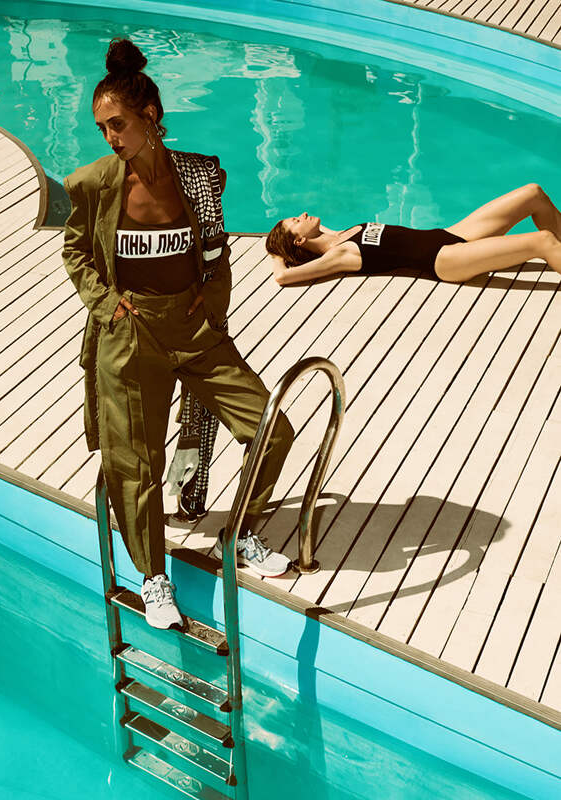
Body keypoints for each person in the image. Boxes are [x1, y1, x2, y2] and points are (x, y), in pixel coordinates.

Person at [62, 39, 294, 630]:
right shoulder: (93, 184)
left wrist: (211, 303)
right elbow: (76, 252)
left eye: (118, 124)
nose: (110, 137)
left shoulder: (198, 174)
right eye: (102, 128)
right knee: (136, 461)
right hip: (129, 332)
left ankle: (238, 535)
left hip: (192, 326)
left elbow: (216, 250)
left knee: (271, 428)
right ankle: (153, 577)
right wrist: (108, 305)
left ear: (150, 116)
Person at [265, 184, 561, 285]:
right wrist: (277, 253)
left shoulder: (337, 235)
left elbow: (321, 234)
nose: (303, 214)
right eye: (296, 221)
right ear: (299, 240)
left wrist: (293, 239)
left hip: (448, 235)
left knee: (533, 193)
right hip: (444, 259)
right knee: (542, 241)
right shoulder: (338, 255)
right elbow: (283, 277)